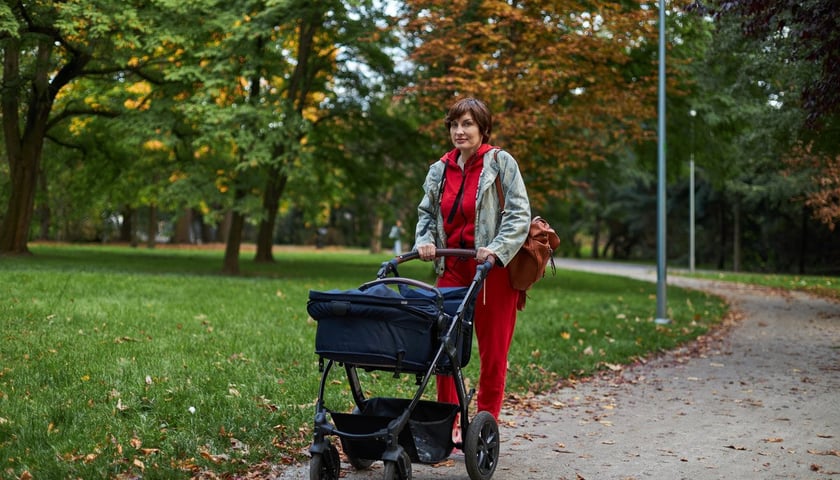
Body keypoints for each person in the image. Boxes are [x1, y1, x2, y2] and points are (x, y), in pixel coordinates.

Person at [413, 97, 531, 423]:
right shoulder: (439, 169)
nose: (459, 131)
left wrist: (497, 248)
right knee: (443, 348)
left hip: (492, 271)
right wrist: (424, 241)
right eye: (454, 124)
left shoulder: (500, 163)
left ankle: (484, 425)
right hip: (452, 267)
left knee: (493, 355)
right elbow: (427, 212)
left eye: (467, 124)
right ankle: (446, 423)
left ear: (483, 128)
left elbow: (519, 215)